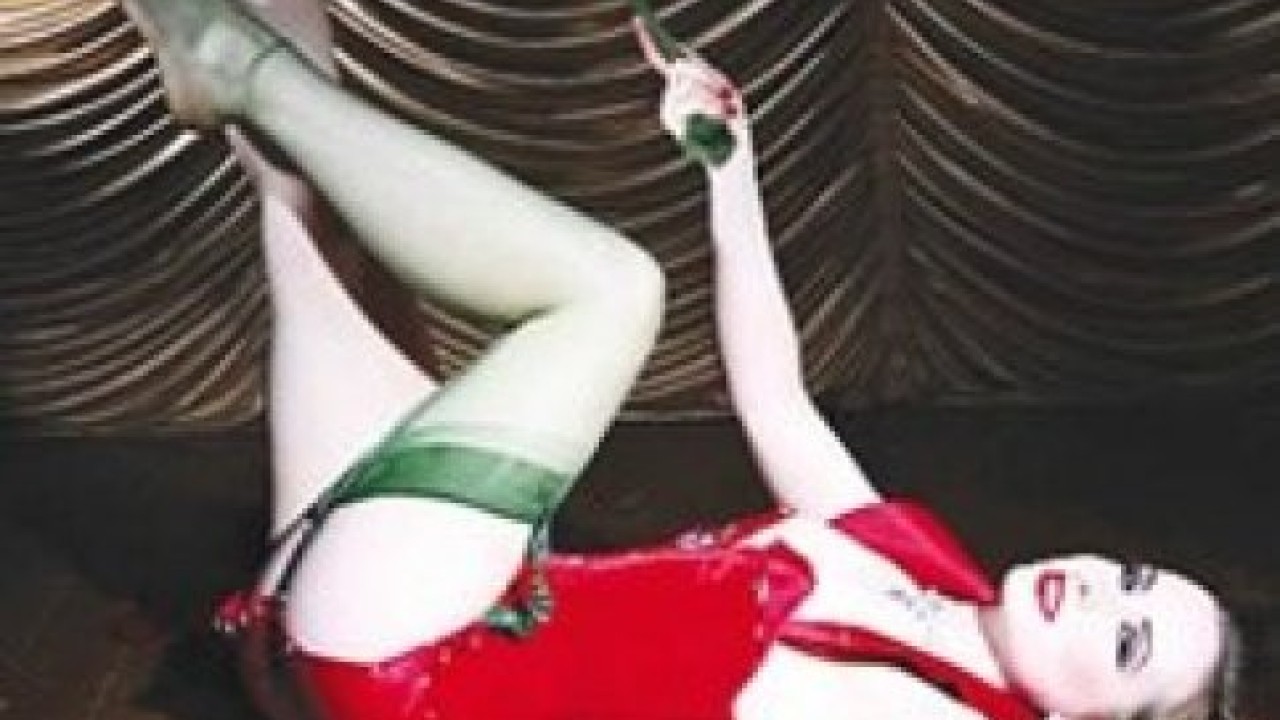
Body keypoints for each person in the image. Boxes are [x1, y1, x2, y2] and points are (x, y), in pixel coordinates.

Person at [119, 0, 1242, 718]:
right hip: (431, 601)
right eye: (1134, 579)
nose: (1100, 591)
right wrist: (729, 174)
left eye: (1127, 641)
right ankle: (249, 62)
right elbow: (778, 404)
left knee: (611, 292)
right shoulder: (935, 572)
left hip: (409, 655)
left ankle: (231, 63)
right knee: (304, 190)